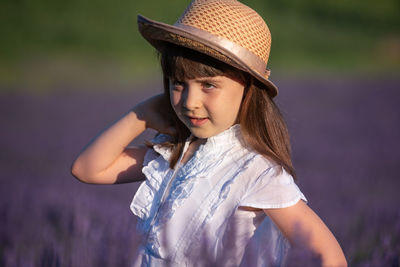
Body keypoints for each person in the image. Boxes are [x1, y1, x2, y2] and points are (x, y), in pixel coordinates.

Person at [71, 0, 347, 266]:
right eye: (178, 83)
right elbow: (88, 169)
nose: (189, 102)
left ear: (248, 90)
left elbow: (330, 259)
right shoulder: (172, 151)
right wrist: (142, 115)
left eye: (208, 85)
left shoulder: (257, 171)